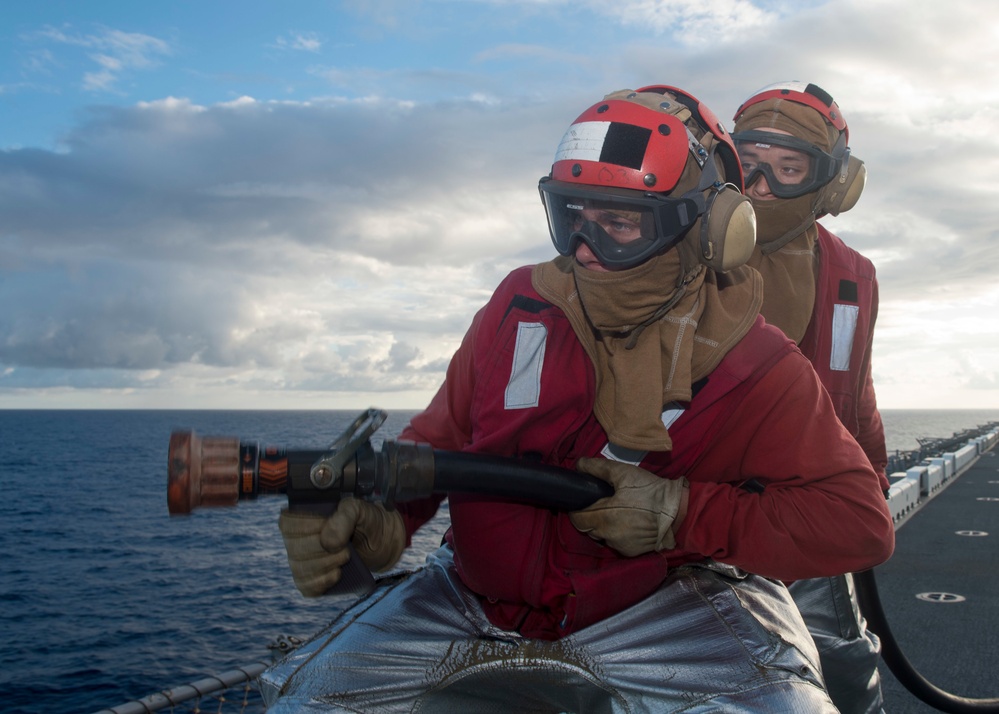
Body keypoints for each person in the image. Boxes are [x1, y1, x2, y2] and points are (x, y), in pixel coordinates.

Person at [267, 86, 895, 712]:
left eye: (619, 222)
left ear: (705, 229)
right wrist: (384, 519)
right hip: (470, 597)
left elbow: (860, 521)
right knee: (299, 702)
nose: (584, 250)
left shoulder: (756, 364)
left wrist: (680, 514)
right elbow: (441, 442)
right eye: (573, 218)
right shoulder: (521, 306)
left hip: (657, 607)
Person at [731, 81, 891, 714]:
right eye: (747, 165)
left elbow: (857, 391)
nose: (761, 186)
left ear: (832, 185)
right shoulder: (680, 255)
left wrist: (870, 478)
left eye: (789, 168)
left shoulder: (853, 274)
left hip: (811, 503)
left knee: (845, 667)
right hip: (705, 511)